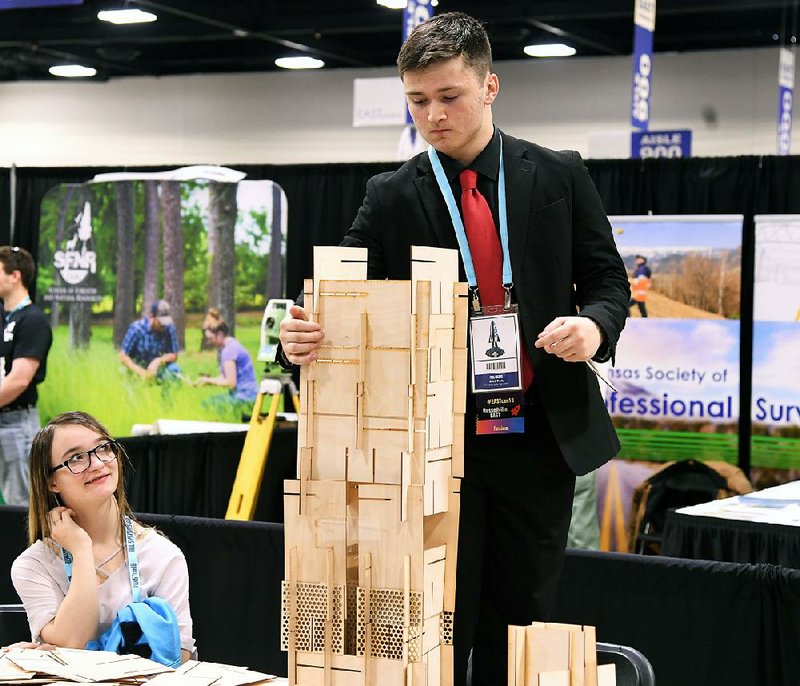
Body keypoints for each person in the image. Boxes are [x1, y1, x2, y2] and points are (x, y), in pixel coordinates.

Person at [279, 12, 629, 685]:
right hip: (435, 448)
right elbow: (335, 294)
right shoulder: (390, 196)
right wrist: (303, 330)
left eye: (449, 96)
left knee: (523, 616)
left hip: (539, 437)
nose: (433, 116)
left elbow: (609, 281)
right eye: (417, 101)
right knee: (435, 618)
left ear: (490, 85)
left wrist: (595, 327)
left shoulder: (558, 175)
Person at [10, 411, 195, 660]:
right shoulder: (33, 565)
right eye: (76, 458)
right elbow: (74, 643)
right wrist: (81, 550)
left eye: (103, 448)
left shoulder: (162, 554)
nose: (97, 464)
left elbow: (180, 656)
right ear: (51, 482)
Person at [0, 246, 53, 506]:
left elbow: (19, 380)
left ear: (15, 276)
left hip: (15, 424)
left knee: (18, 504)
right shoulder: (4, 318)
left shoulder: (33, 320)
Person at [196, 320, 258, 416]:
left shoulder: (229, 350)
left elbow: (230, 383)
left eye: (210, 338)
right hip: (248, 395)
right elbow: (225, 377)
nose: (209, 342)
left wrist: (209, 381)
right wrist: (207, 380)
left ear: (220, 334)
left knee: (205, 405)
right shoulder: (232, 344)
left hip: (245, 397)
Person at [119, 299, 180, 381]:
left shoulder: (169, 328)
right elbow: (123, 356)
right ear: (152, 317)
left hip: (158, 368)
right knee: (123, 371)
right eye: (160, 322)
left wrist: (158, 361)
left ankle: (168, 393)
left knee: (174, 370)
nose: (164, 325)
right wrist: (141, 372)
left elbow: (174, 354)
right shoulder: (137, 328)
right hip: (137, 367)